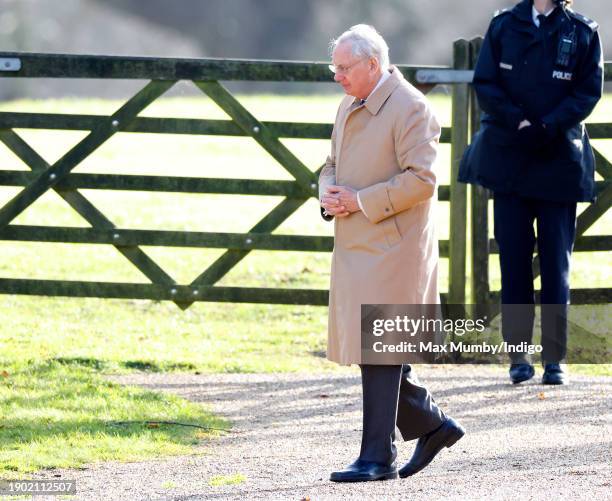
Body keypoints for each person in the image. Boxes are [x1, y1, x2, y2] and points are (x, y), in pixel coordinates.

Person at [319, 24, 464, 483]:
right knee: (377, 347)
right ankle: (433, 426)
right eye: (335, 66)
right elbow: (331, 165)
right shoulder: (349, 104)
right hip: (357, 243)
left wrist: (358, 201)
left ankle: (377, 457)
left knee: (379, 347)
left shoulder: (411, 108)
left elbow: (422, 180)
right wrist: (328, 194)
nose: (336, 75)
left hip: (393, 247)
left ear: (371, 65)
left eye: (343, 67)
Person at [459, 0, 603, 385]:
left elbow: (588, 91)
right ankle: (518, 356)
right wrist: (519, 121)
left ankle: (555, 357)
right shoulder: (504, 26)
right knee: (514, 262)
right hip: (509, 160)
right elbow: (486, 82)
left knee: (556, 264)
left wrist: (548, 126)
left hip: (558, 162)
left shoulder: (583, 31)